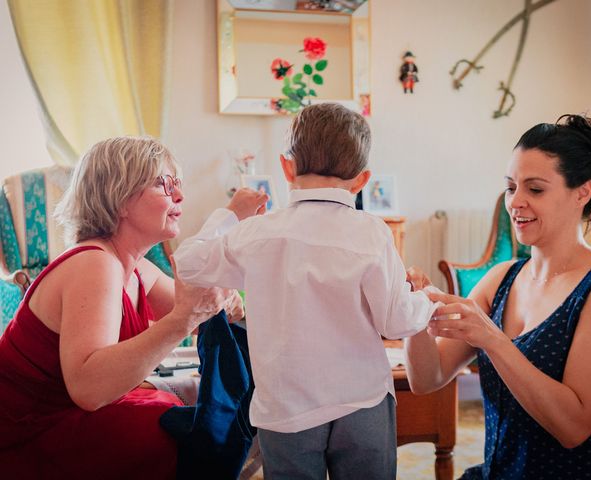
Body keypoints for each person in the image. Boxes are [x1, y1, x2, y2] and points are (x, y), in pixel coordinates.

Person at [173, 103, 439, 480]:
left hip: (285, 409)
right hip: (361, 401)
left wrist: (231, 213)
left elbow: (189, 262)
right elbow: (396, 321)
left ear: (286, 167)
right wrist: (424, 300)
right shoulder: (371, 233)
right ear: (362, 180)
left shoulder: (257, 234)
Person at [405, 114, 591, 479]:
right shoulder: (502, 279)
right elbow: (427, 378)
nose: (515, 202)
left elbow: (573, 427)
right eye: (511, 187)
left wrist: (492, 339)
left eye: (535, 189)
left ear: (583, 192)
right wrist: (413, 313)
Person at [0, 136, 247, 478]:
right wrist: (184, 317)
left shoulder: (136, 266)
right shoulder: (94, 264)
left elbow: (195, 309)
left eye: (177, 184)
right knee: (173, 430)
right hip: (28, 436)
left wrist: (221, 300)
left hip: (64, 417)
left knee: (172, 411)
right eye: (164, 184)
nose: (180, 195)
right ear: (120, 199)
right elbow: (89, 389)